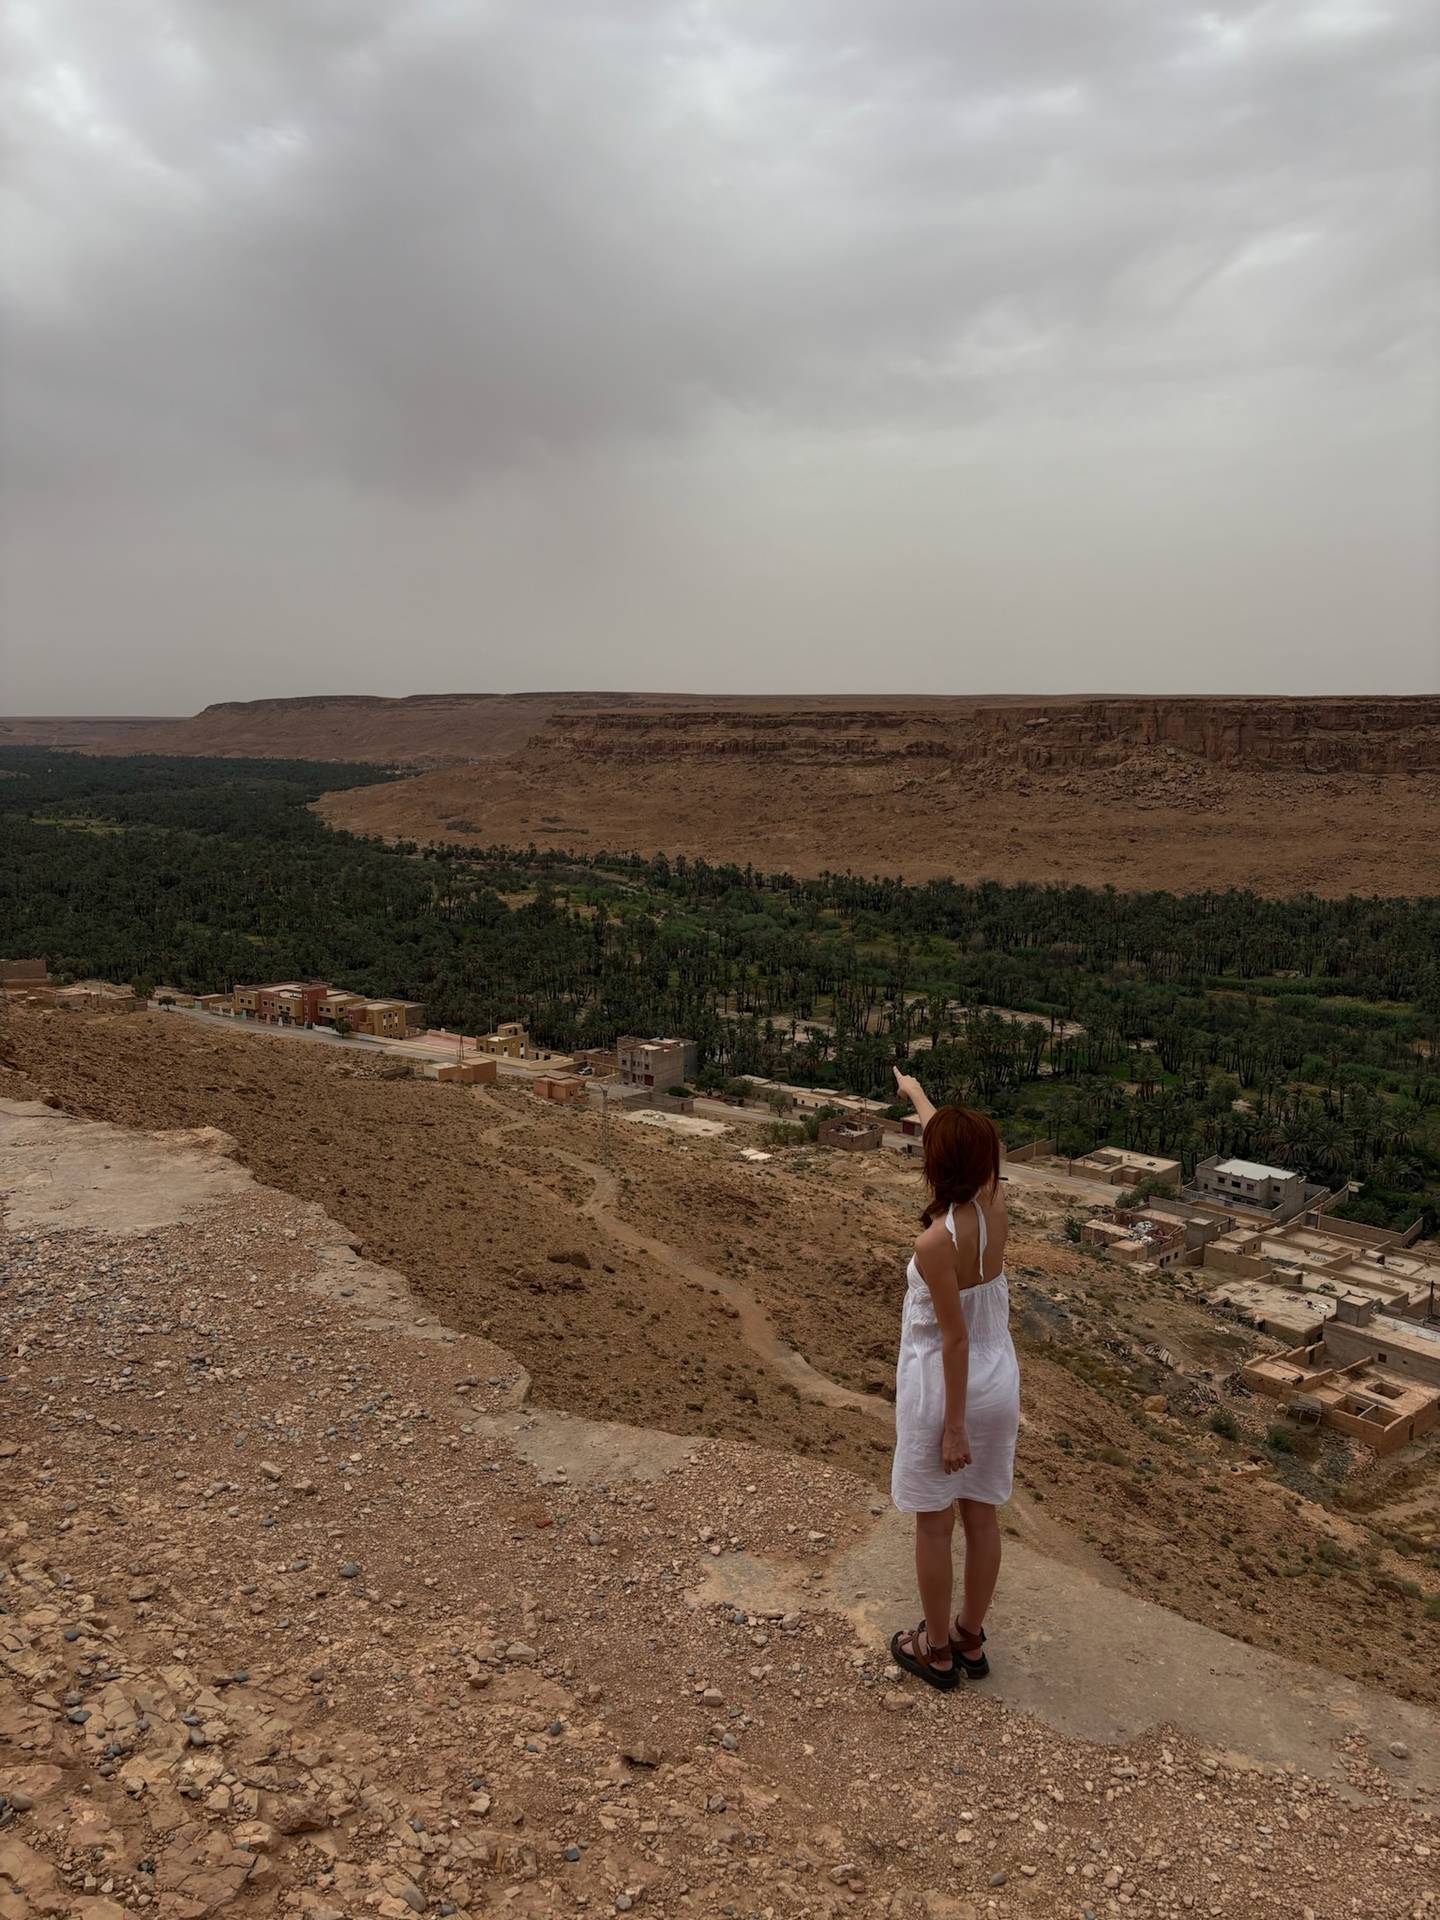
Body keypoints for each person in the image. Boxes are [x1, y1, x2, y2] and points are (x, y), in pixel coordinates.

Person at [887, 1067, 1020, 1690]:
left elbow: (953, 1337)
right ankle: (969, 1636)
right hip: (999, 1380)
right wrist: (914, 1092)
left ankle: (935, 1651)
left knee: (934, 1523)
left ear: (934, 1166)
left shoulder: (934, 1244)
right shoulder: (994, 1202)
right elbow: (949, 1138)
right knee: (982, 1517)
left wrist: (953, 1429)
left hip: (946, 1391)